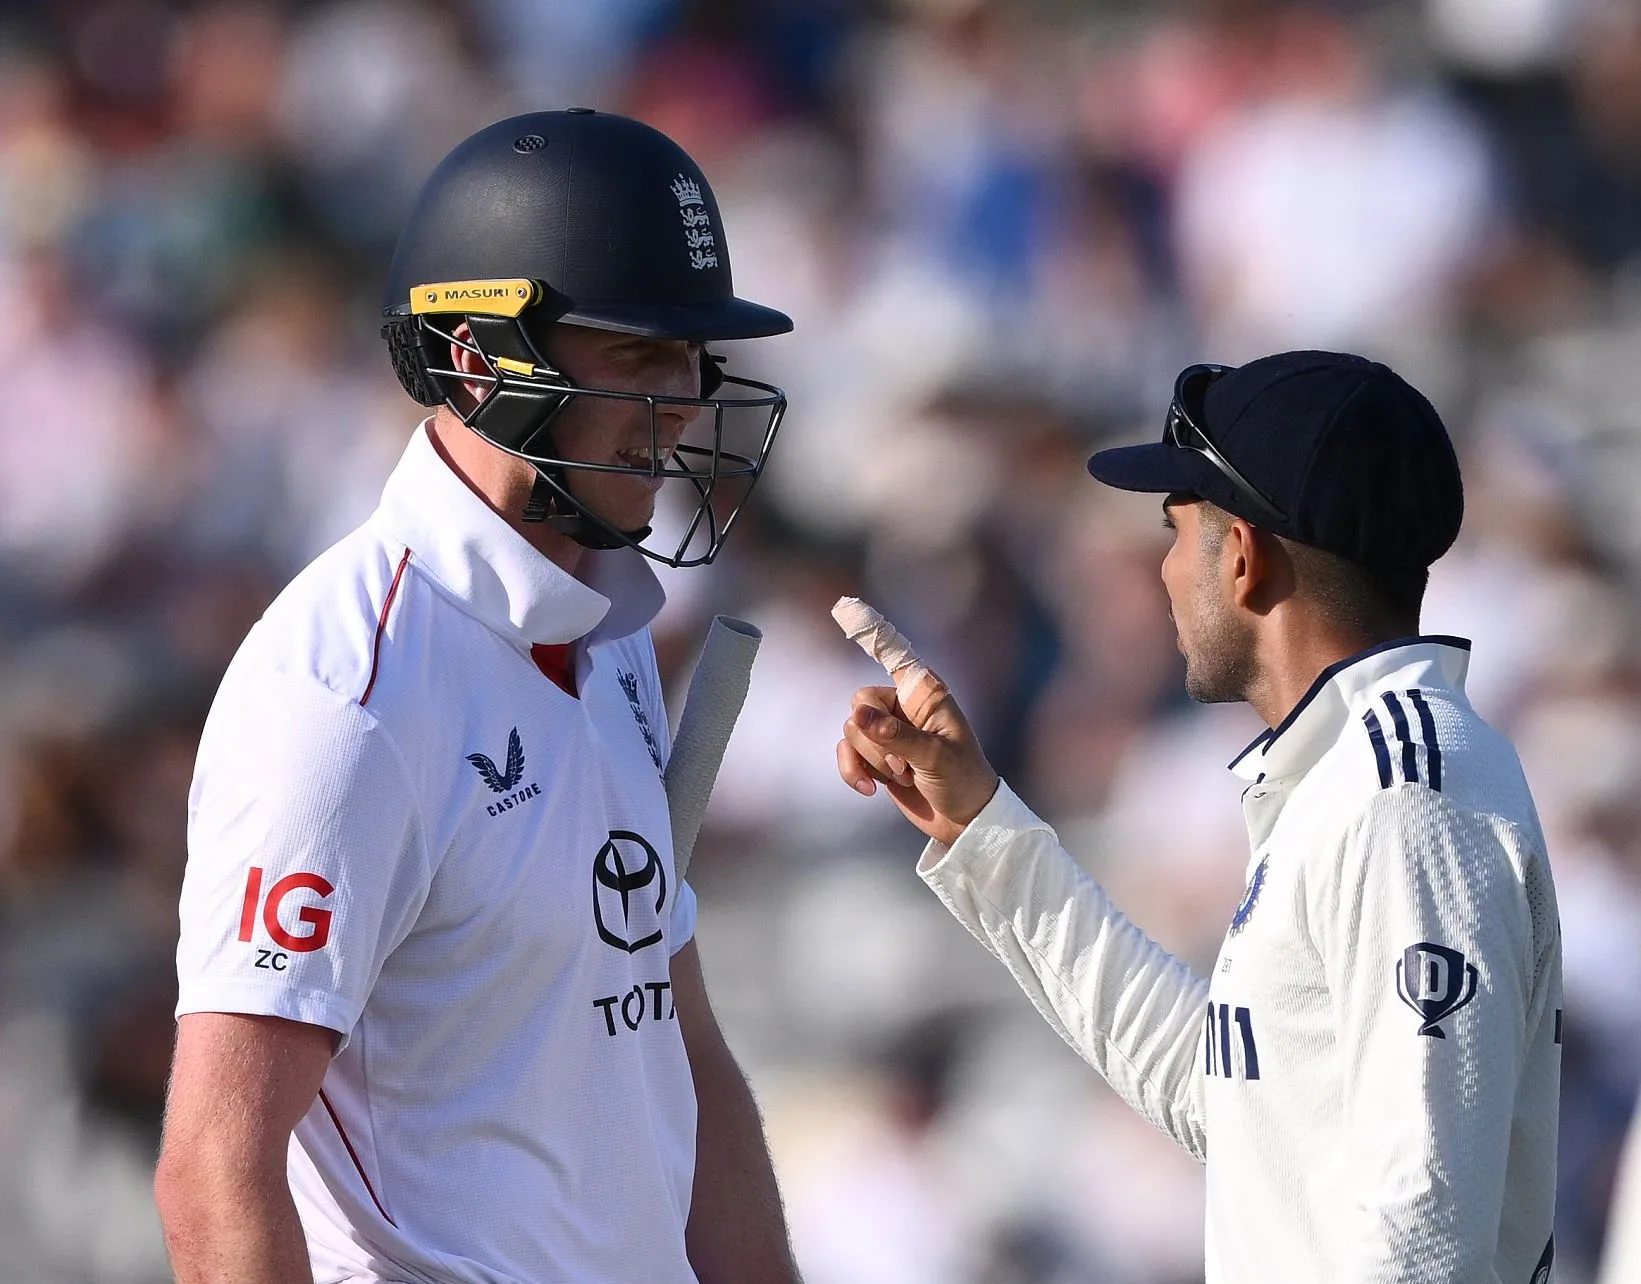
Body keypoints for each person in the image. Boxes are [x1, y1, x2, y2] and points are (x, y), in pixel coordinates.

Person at [155, 109, 801, 1284]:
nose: (688, 403)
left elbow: (678, 1048)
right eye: (641, 355)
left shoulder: (603, 630)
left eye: (692, 361)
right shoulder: (347, 695)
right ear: (477, 357)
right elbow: (214, 1172)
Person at [836, 351, 1564, 1283]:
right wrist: (980, 825)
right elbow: (1230, 1107)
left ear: (1245, 559)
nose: (1168, 573)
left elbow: (1420, 1234)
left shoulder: (1402, 798)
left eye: (1176, 535)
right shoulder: (1355, 775)